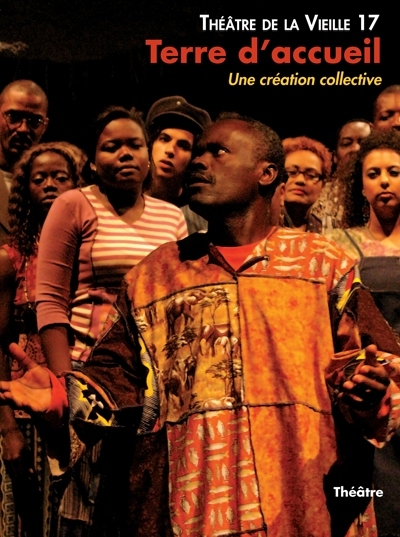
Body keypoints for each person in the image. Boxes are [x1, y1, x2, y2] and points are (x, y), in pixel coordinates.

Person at [1, 114, 400, 537]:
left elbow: (377, 365)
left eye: (218, 151)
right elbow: (117, 380)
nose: (198, 161)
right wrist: (61, 397)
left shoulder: (322, 265)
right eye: (198, 151)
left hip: (302, 496)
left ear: (266, 173)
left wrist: (370, 391)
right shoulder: (155, 275)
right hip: (191, 506)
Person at [35, 105, 187, 535]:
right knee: (81, 510)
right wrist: (66, 387)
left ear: (148, 154)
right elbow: (51, 300)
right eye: (111, 147)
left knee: (138, 504)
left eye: (134, 145)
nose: (124, 154)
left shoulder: (171, 216)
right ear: (92, 159)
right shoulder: (74, 204)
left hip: (150, 383)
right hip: (89, 374)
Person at [0, 142, 81, 537]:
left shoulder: (90, 254)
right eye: (40, 178)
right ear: (25, 190)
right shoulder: (10, 258)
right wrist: (8, 431)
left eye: (60, 177)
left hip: (77, 402)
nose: (50, 184)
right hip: (24, 409)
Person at [327, 130, 400, 537]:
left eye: (394, 172)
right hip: (368, 384)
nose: (384, 181)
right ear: (361, 186)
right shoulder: (337, 244)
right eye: (374, 174)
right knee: (375, 493)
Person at [145, 95, 211, 233]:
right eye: (164, 139)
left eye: (183, 146)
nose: (170, 150)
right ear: (151, 145)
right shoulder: (125, 200)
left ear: (193, 158)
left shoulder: (198, 217)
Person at [0, 80, 49, 245]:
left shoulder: (52, 183)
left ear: (45, 126)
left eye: (34, 121)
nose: (23, 128)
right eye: (13, 117)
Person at [311, 119, 372, 233]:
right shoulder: (318, 194)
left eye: (363, 142)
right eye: (347, 144)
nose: (355, 149)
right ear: (335, 157)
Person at [282, 136, 331, 232]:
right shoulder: (261, 226)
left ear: (323, 185)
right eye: (292, 172)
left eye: (311, 175)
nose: (300, 180)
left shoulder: (327, 231)